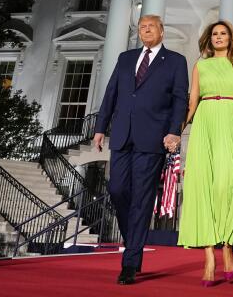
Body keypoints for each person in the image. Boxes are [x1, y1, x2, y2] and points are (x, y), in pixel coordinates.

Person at [94, 14, 189, 285]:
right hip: (122, 134)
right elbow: (111, 93)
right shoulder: (126, 58)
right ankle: (133, 237)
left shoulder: (175, 61)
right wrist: (101, 127)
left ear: (161, 31)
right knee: (116, 190)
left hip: (153, 138)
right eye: (141, 27)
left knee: (141, 200)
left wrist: (174, 131)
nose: (145, 30)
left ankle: (130, 262)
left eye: (151, 26)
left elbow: (180, 98)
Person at [177, 20, 233, 286]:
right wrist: (176, 131)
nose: (219, 37)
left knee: (227, 185)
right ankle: (209, 260)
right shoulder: (200, 65)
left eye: (223, 33)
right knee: (203, 187)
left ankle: (227, 248)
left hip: (232, 123)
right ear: (209, 39)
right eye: (215, 34)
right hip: (205, 123)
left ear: (230, 38)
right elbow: (192, 101)